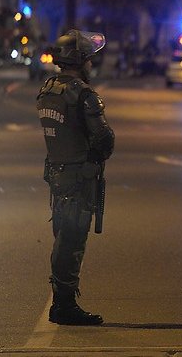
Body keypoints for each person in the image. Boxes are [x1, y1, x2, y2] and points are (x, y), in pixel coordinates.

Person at [36, 29, 114, 326]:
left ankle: (62, 300)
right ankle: (64, 305)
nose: (92, 65)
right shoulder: (83, 95)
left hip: (57, 174)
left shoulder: (48, 89)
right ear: (80, 60)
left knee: (63, 237)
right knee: (72, 240)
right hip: (79, 177)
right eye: (89, 59)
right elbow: (104, 138)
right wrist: (95, 156)